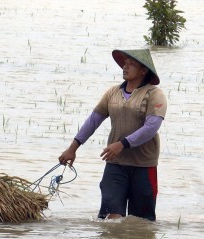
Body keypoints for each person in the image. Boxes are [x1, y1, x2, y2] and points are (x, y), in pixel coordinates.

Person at [58, 49, 167, 221]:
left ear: (143, 71)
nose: (125, 66)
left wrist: (122, 144)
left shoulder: (154, 94)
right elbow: (93, 120)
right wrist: (73, 148)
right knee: (111, 216)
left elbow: (151, 127)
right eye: (125, 63)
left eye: (131, 64)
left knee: (140, 221)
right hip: (116, 163)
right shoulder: (112, 93)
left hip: (144, 165)